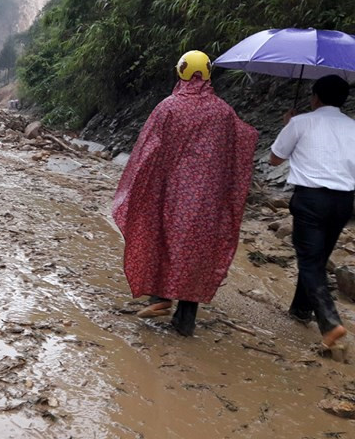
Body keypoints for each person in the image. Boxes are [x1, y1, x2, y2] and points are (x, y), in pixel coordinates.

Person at [112, 50, 258, 336]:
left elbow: (147, 151)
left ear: (180, 71)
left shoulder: (168, 107)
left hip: (173, 195)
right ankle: (185, 319)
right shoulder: (224, 112)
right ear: (207, 73)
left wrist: (138, 187)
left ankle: (160, 296)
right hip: (209, 199)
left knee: (165, 241)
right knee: (198, 253)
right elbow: (243, 142)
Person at [270, 74, 354, 356]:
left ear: (315, 96)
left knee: (309, 261)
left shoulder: (300, 122)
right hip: (344, 201)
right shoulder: (353, 127)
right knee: (318, 256)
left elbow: (275, 158)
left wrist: (287, 126)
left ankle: (330, 322)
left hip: (311, 199)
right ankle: (301, 309)